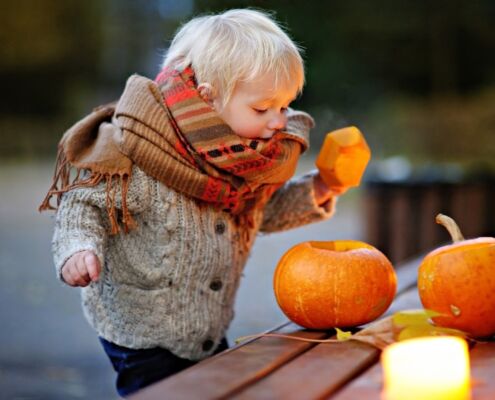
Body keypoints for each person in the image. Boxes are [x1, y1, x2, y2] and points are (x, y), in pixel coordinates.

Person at [40, 8, 348, 397]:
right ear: (208, 100)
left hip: (207, 328)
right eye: (262, 108)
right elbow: (85, 203)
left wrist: (319, 189)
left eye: (284, 106)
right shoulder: (146, 156)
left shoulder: (244, 161)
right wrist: (77, 248)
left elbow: (261, 213)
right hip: (142, 334)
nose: (278, 122)